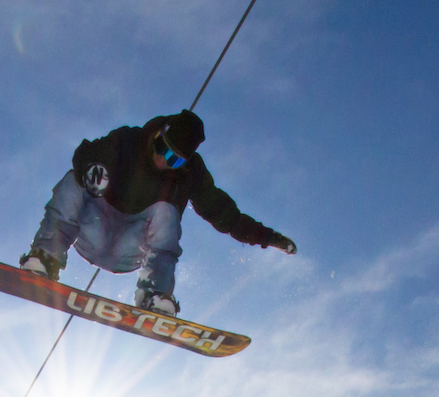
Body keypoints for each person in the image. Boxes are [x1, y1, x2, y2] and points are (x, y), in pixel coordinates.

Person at [21, 109, 295, 316]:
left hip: (131, 249)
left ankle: (154, 294)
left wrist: (269, 237)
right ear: (157, 134)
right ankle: (46, 257)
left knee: (167, 210)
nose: (163, 162)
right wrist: (90, 168)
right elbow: (87, 151)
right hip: (92, 229)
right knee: (74, 180)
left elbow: (223, 213)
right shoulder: (128, 140)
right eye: (163, 149)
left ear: (184, 162)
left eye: (174, 159)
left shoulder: (190, 175)